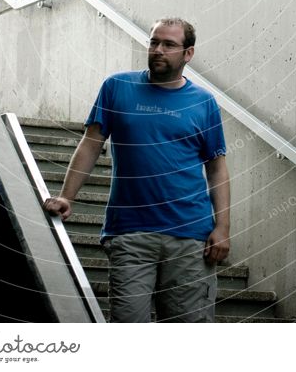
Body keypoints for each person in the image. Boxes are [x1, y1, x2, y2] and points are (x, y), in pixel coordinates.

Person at [44, 17, 230, 323]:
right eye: (154, 42)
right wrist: (67, 196)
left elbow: (217, 168)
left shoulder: (204, 103)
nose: (158, 50)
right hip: (130, 232)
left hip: (190, 236)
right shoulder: (118, 87)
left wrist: (222, 228)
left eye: (169, 44)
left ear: (188, 53)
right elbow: (91, 144)